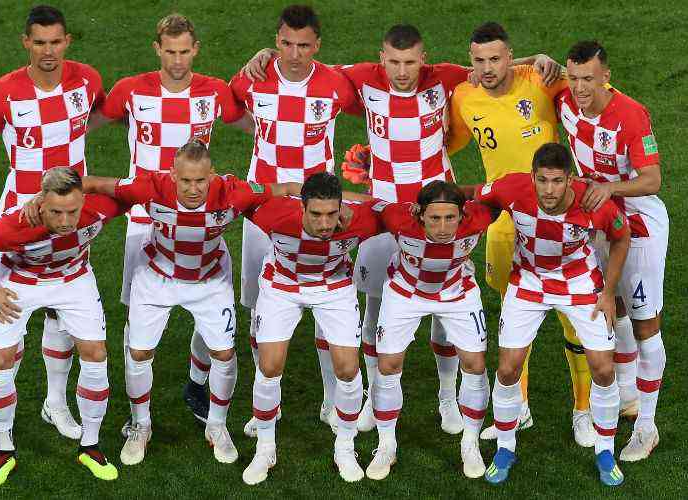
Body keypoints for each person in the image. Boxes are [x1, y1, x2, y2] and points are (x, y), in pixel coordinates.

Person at [241, 21, 559, 436]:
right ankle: (373, 395)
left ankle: (448, 398)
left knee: (445, 308)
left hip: (438, 210)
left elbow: (491, 68)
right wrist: (265, 56)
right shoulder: (359, 79)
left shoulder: (444, 77)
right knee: (375, 308)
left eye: (410, 62)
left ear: (423, 59)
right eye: (394, 62)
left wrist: (536, 61)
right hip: (383, 210)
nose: (402, 71)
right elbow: (305, 68)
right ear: (381, 59)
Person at [42, 140, 301, 466]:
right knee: (139, 352)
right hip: (157, 276)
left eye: (201, 180)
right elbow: (96, 183)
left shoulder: (235, 191)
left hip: (210, 279)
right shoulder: (150, 186)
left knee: (223, 353)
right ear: (172, 175)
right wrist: (42, 197)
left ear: (212, 176)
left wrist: (334, 200)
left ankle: (217, 426)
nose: (193, 189)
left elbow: (287, 188)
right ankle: (141, 425)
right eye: (185, 180)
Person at [88, 13, 253, 424]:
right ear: (157, 49)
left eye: (185, 52)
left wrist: (263, 59)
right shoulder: (129, 90)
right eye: (170, 51)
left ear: (195, 49)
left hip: (197, 208)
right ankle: (135, 404)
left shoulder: (215, 90)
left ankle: (197, 380)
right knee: (135, 306)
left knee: (206, 297)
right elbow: (87, 123)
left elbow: (259, 123)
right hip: (146, 213)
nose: (177, 61)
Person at [447, 21, 596, 445]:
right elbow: (447, 142)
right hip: (504, 223)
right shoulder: (464, 95)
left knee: (573, 318)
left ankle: (583, 409)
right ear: (470, 60)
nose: (488, 67)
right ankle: (521, 408)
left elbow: (593, 84)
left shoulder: (542, 78)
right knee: (514, 318)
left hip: (559, 219)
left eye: (496, 58)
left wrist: (539, 59)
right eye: (479, 60)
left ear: (511, 56)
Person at [0, 5, 104, 445]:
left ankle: (56, 403)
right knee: (8, 334)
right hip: (20, 218)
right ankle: (3, 419)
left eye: (56, 41)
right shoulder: (3, 92)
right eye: (39, 42)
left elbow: (99, 116)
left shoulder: (87, 80)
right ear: (27, 42)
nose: (48, 50)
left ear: (68, 42)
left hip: (68, 214)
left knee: (63, 311)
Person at [230, 4, 358, 437]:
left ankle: (329, 401)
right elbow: (231, 106)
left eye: (304, 45)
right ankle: (267, 404)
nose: (295, 53)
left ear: (317, 46)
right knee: (256, 303)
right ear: (276, 40)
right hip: (262, 209)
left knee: (328, 303)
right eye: (286, 43)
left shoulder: (337, 82)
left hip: (319, 210)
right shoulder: (252, 78)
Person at [475, 143, 630, 486]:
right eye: (542, 180)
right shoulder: (513, 188)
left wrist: (608, 292)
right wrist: (431, 200)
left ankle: (605, 451)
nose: (548, 190)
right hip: (528, 282)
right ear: (532, 177)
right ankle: (505, 447)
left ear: (569, 180)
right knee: (507, 366)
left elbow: (622, 237)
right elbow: (476, 194)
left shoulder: (593, 200)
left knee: (604, 368)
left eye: (557, 181)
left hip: (580, 284)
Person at [0, 168, 122, 486]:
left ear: (83, 201)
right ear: (40, 205)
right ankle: (3, 450)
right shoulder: (14, 225)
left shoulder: (99, 208)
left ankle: (91, 445)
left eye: (71, 211)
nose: (64, 221)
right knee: (1, 359)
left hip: (73, 279)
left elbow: (133, 189)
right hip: (20, 282)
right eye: (56, 212)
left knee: (96, 352)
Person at [559, 40, 668, 461]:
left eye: (588, 78)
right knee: (614, 308)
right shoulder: (566, 100)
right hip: (596, 224)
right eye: (574, 78)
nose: (580, 88)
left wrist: (608, 188)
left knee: (645, 323)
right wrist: (536, 61)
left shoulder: (630, 113)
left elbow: (652, 180)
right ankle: (627, 395)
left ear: (606, 76)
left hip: (637, 224)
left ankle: (647, 427)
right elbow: (542, 70)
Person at [241, 173, 379, 485]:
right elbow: (239, 196)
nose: (325, 223)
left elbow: (392, 210)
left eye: (332, 213)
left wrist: (355, 204)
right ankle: (265, 449)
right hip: (282, 286)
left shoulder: (359, 221)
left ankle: (345, 448)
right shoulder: (273, 214)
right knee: (269, 366)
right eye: (316, 214)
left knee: (347, 369)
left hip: (334, 287)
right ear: (301, 208)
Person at [364, 181, 498, 480]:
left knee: (476, 364)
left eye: (450, 218)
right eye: (434, 218)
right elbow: (367, 203)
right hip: (405, 292)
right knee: (388, 365)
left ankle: (470, 443)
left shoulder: (478, 217)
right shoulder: (398, 217)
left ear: (462, 215)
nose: (442, 227)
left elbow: (503, 197)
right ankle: (386, 444)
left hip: (457, 292)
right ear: (419, 214)